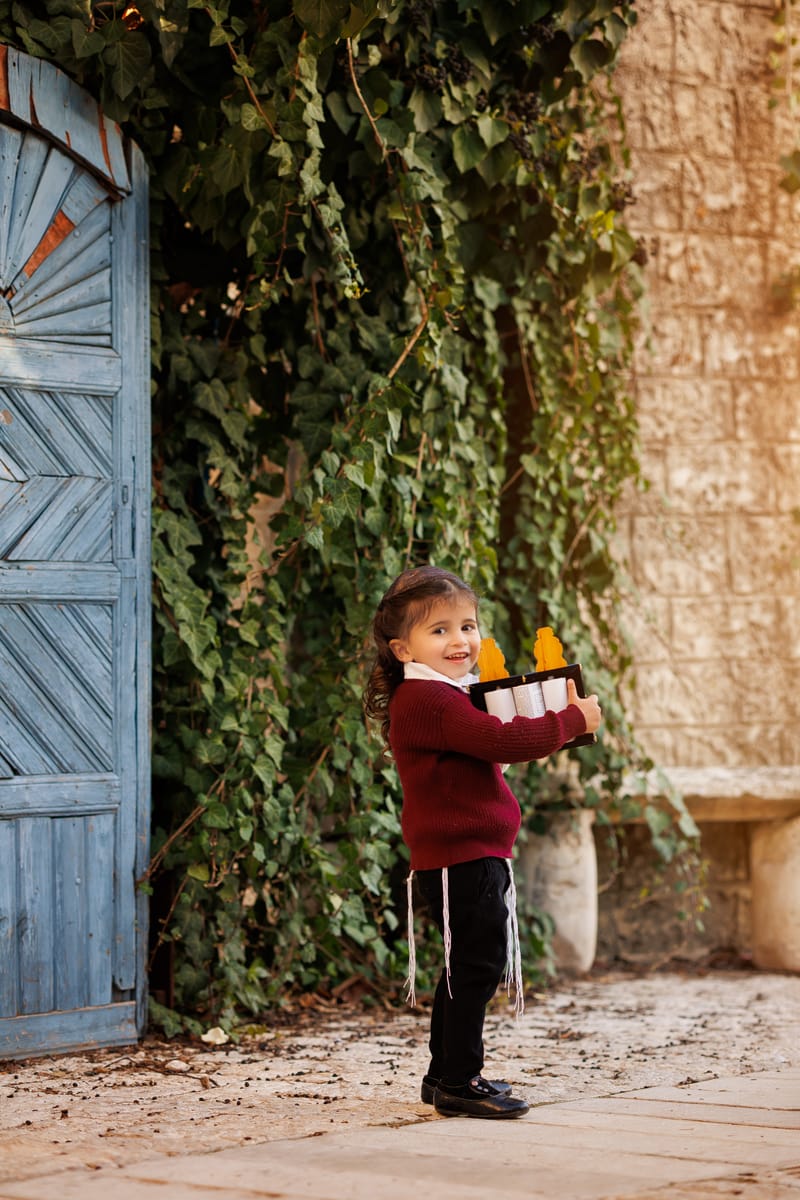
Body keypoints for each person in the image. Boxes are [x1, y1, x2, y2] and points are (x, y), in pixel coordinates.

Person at [363, 564, 602, 1120]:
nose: (460, 640)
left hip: (466, 854)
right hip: (461, 857)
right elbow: (503, 740)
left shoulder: (446, 695)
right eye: (440, 630)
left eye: (467, 626)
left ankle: (443, 1074)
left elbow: (496, 734)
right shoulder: (430, 701)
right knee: (476, 966)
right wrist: (572, 719)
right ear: (403, 649)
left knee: (464, 965)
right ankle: (459, 1080)